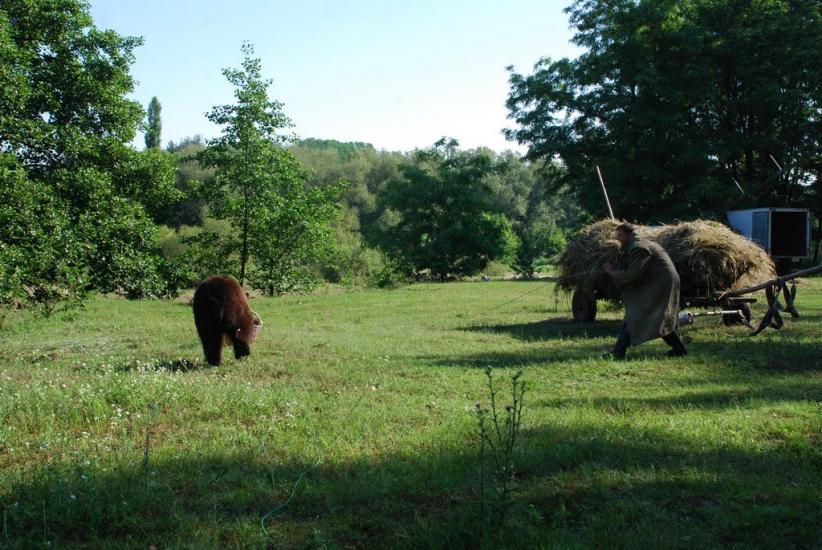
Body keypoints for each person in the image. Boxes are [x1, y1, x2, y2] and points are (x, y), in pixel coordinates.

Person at [602, 222, 687, 359]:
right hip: (655, 281)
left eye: (620, 235)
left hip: (660, 283)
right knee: (659, 318)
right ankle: (679, 349)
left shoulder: (639, 247)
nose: (617, 238)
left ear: (628, 234)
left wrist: (612, 272)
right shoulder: (634, 244)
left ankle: (618, 352)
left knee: (636, 315)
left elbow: (633, 273)